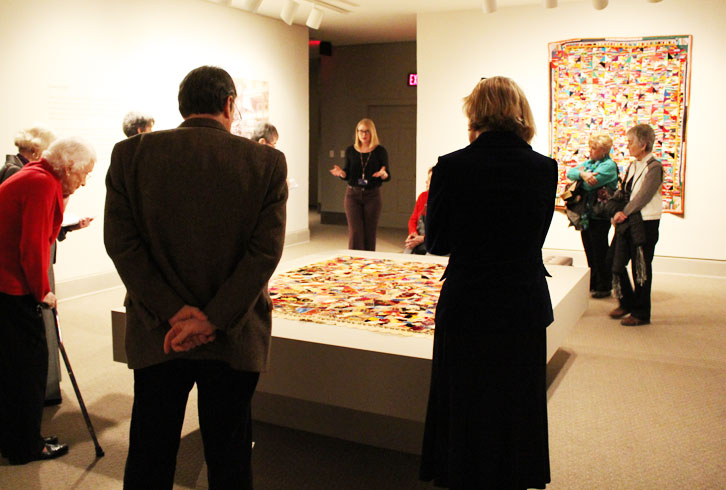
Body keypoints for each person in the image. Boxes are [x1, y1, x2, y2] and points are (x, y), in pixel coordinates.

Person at [104, 65, 287, 490]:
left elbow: (122, 245)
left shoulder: (131, 156)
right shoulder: (266, 162)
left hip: (158, 331)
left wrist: (173, 311)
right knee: (230, 453)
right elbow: (263, 254)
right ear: (229, 105)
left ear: (182, 107)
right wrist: (211, 319)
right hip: (234, 334)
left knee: (151, 448)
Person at [420, 77, 557, 489]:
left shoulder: (451, 166)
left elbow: (437, 243)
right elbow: (537, 238)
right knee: (515, 401)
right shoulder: (544, 168)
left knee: (465, 401)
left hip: (469, 299)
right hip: (521, 300)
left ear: (475, 111)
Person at [0, 136, 96, 465]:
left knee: (15, 367)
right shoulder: (41, 183)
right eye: (84, 173)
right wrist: (43, 292)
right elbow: (33, 246)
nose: (85, 181)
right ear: (67, 167)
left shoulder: (38, 177)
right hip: (12, 289)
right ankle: (26, 446)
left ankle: (17, 438)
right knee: (29, 369)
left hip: (6, 285)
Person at [608, 124, 663, 326]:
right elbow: (625, 190)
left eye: (630, 142)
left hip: (645, 223)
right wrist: (614, 207)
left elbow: (643, 196)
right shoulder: (633, 166)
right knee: (613, 259)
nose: (627, 146)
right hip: (629, 221)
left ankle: (641, 313)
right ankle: (627, 302)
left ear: (643, 144)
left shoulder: (654, 167)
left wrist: (624, 212)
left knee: (641, 268)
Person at [566, 134, 618, 298]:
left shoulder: (609, 166)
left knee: (600, 249)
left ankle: (604, 285)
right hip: (586, 215)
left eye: (594, 148)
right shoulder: (591, 164)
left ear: (603, 150)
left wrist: (584, 177)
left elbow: (589, 186)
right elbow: (571, 173)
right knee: (589, 248)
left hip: (600, 214)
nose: (590, 151)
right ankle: (594, 282)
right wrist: (583, 175)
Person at [330, 118, 390, 251]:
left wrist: (383, 174)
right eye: (361, 131)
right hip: (353, 195)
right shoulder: (350, 150)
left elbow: (387, 174)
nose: (364, 134)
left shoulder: (380, 151)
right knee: (355, 231)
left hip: (372, 195)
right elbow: (347, 173)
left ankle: (368, 262)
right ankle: (354, 261)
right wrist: (341, 173)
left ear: (372, 133)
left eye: (367, 131)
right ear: (357, 132)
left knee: (370, 231)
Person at [403, 167, 433, 255]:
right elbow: (413, 220)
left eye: (430, 179)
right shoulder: (423, 196)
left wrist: (423, 239)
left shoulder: (446, 200)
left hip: (434, 242)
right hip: (419, 238)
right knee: (407, 255)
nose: (426, 182)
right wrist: (413, 234)